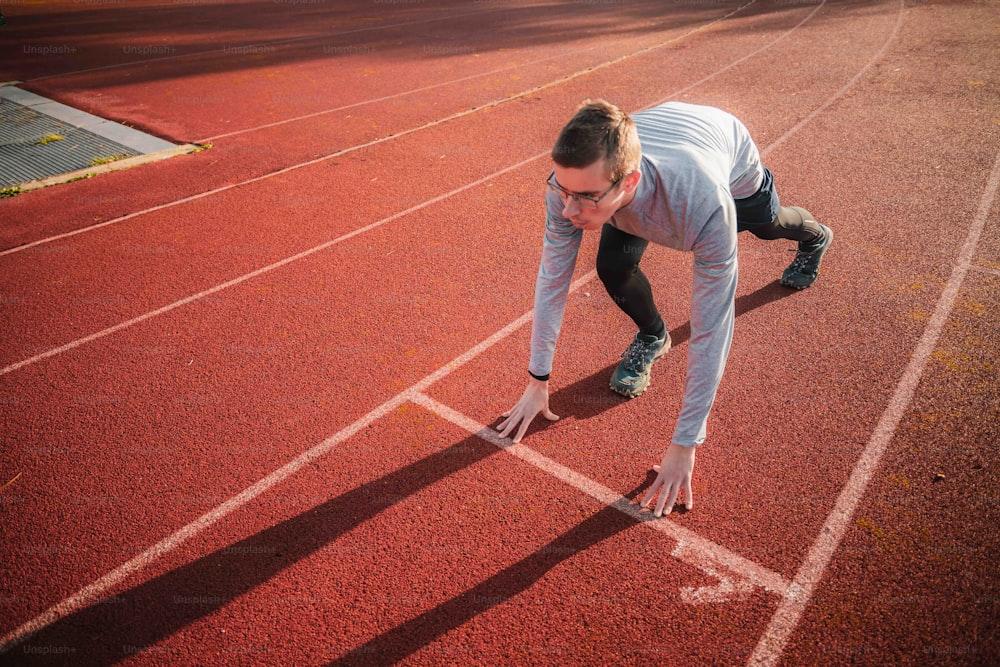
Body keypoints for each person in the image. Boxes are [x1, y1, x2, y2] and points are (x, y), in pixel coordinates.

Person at [495, 99, 833, 517]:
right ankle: (654, 335)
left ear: (629, 181)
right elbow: (552, 279)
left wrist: (686, 442)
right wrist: (537, 379)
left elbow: (712, 326)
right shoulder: (570, 188)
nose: (568, 210)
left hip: (726, 158)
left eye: (583, 197)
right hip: (655, 162)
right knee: (613, 266)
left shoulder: (707, 205)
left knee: (769, 225)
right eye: (564, 192)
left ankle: (815, 236)